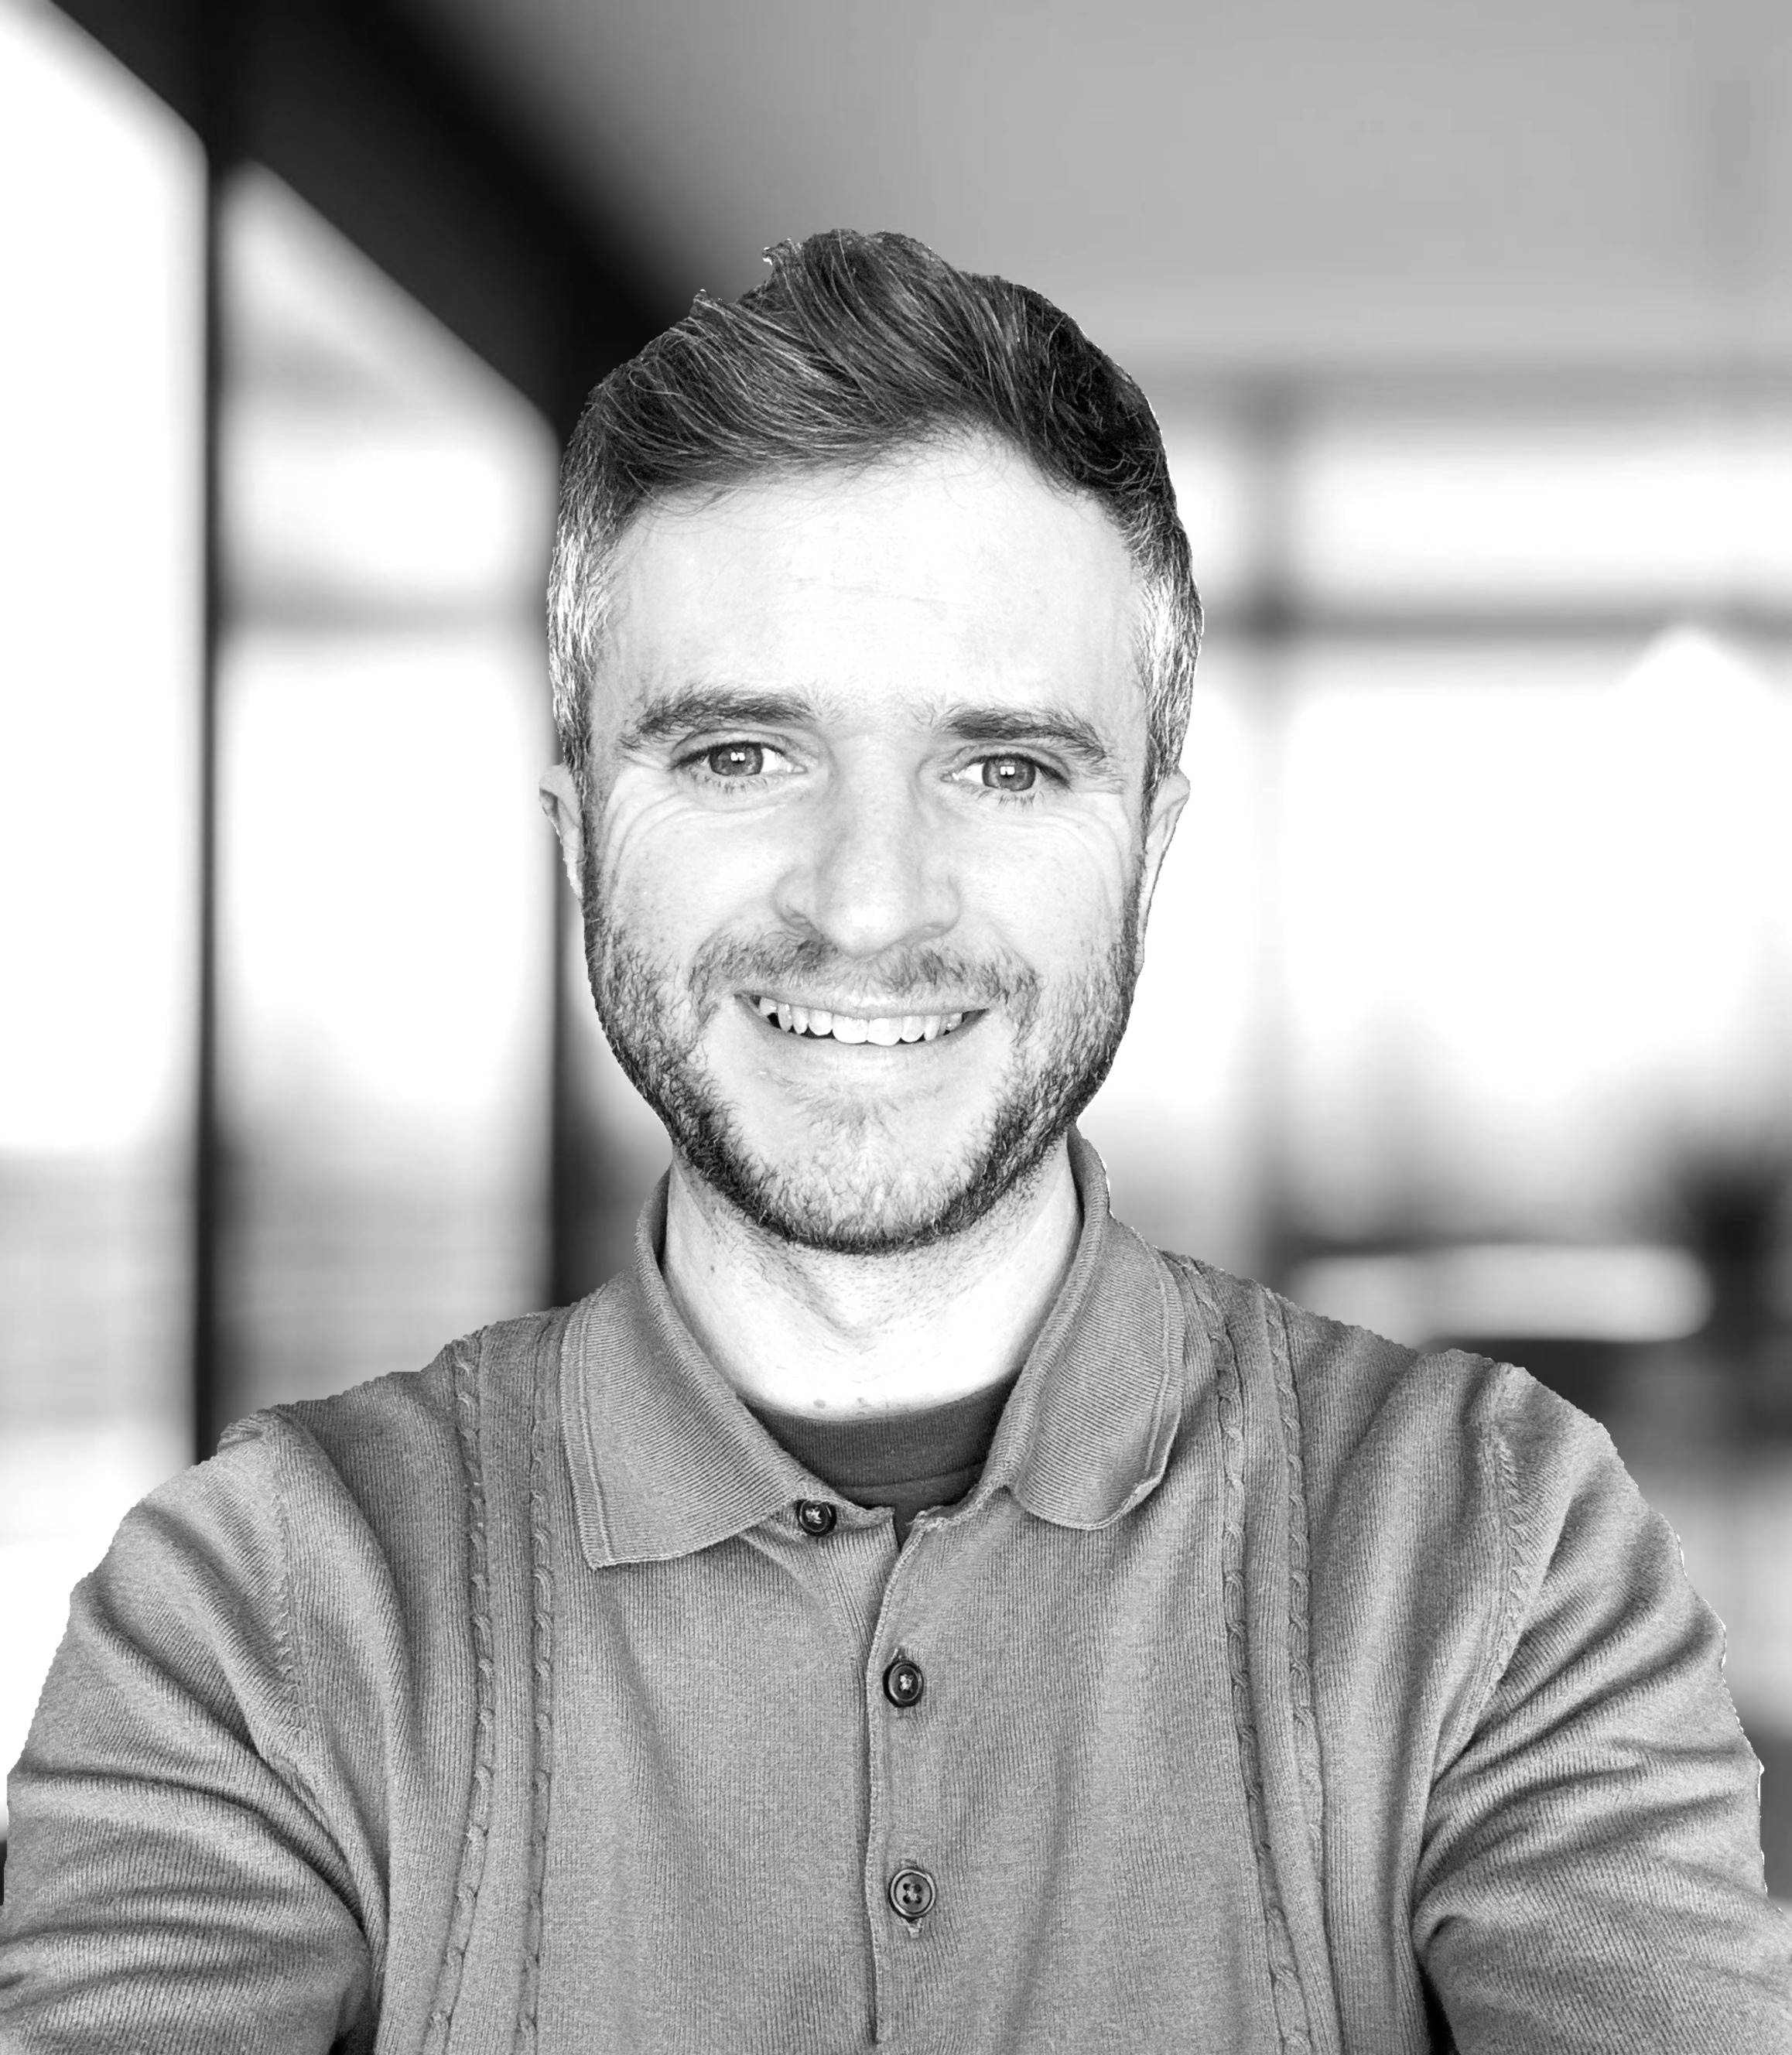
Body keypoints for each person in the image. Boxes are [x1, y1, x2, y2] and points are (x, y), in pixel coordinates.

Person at [1, 230, 1787, 2054]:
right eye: (741, 755)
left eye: (1005, 767)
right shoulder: (260, 1603)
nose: (868, 904)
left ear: (1151, 843)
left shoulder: (1495, 1544)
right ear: (578, 828)